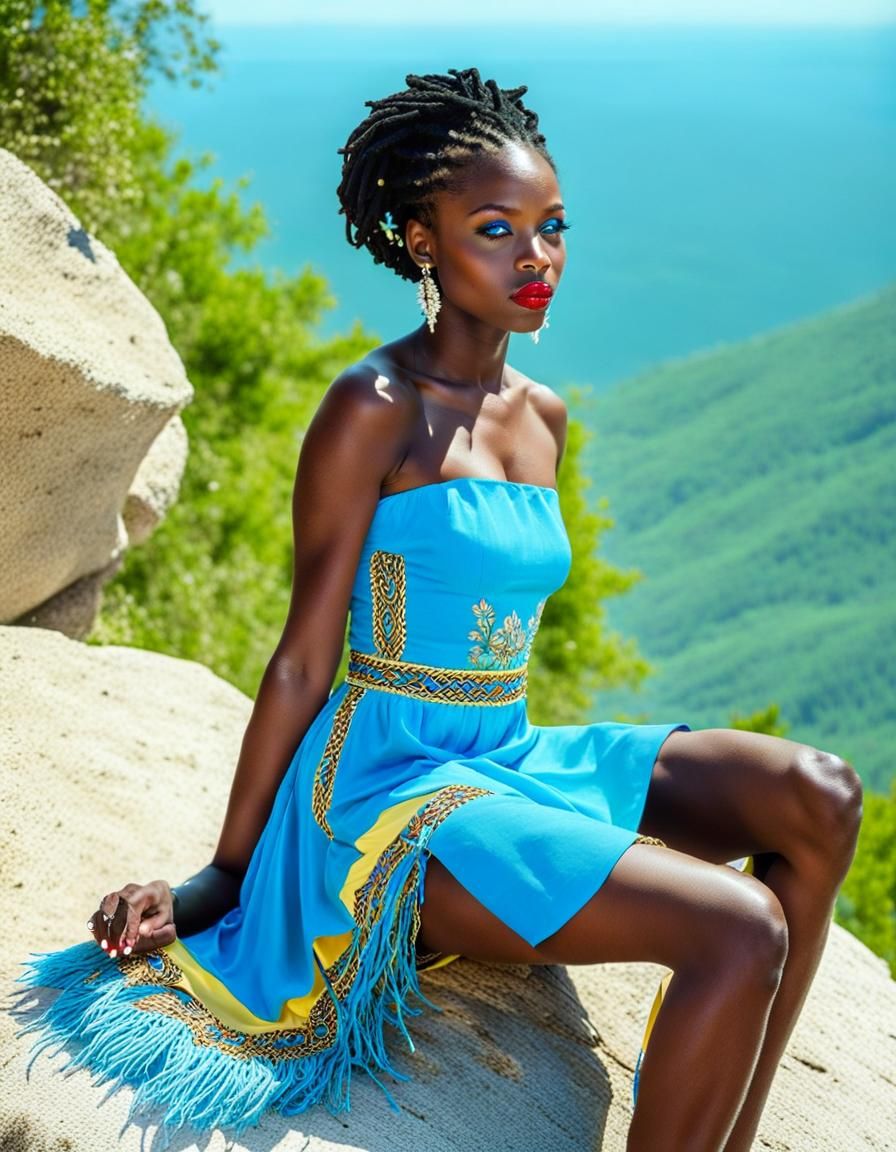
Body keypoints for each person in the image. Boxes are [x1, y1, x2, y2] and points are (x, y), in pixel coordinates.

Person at [14, 67, 863, 1152]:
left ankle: (719, 1130)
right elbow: (300, 659)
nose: (536, 258)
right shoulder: (374, 408)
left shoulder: (540, 416)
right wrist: (225, 876)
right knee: (736, 927)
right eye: (496, 230)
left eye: (550, 228)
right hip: (384, 793)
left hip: (497, 755)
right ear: (422, 241)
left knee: (817, 795)